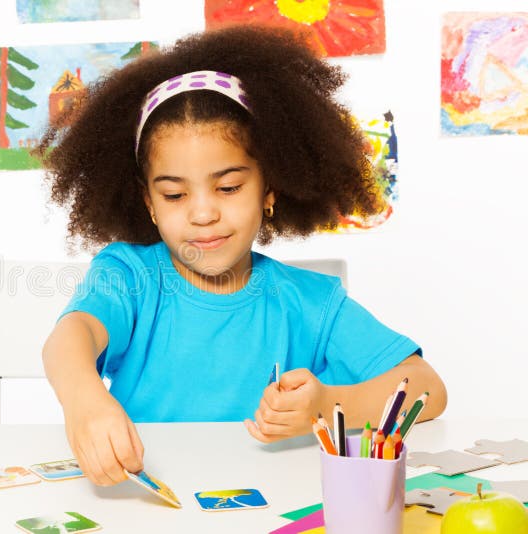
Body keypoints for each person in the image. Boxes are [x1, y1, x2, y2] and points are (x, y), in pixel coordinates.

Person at [37, 25, 447, 487]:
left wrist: (327, 404)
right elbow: (69, 338)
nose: (204, 213)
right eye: (174, 195)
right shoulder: (128, 276)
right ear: (149, 203)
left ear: (268, 188)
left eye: (228, 187)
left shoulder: (311, 302)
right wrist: (84, 400)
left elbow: (427, 388)